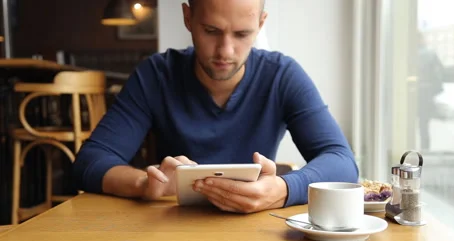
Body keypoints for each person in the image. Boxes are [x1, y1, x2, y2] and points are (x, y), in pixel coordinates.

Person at [72, 0, 358, 213]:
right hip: (171, 227)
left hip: (255, 233)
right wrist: (144, 185)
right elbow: (90, 162)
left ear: (261, 24)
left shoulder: (282, 76)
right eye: (211, 31)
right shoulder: (156, 75)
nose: (225, 51)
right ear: (188, 17)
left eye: (242, 34)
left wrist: (283, 189)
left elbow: (342, 162)